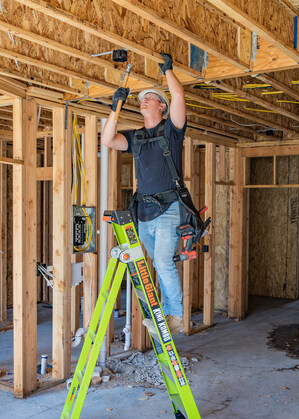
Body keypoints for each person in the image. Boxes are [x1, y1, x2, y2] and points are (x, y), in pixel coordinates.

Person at [101, 52, 186, 334]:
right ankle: (163, 311)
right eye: (141, 99)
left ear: (161, 106)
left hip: (169, 209)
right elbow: (108, 139)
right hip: (144, 214)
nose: (143, 100)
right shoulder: (136, 137)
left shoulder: (172, 131)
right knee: (158, 265)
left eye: (149, 97)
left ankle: (174, 316)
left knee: (162, 263)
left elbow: (178, 95)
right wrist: (116, 108)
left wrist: (168, 71)